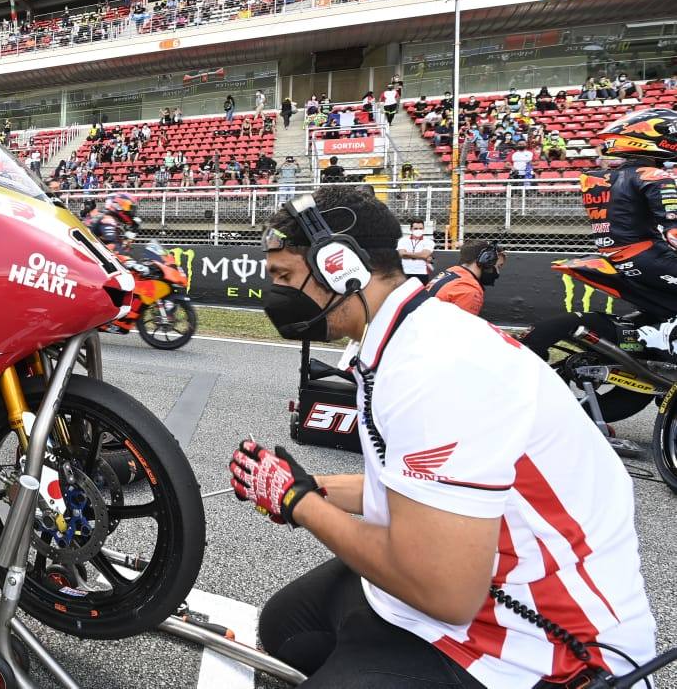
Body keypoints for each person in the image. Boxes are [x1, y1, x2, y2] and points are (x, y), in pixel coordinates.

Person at [236, 185, 655, 687]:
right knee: (284, 629)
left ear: (339, 267)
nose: (274, 293)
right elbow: (418, 494)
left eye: (284, 276)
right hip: (463, 587)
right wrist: (309, 484)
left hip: (540, 644)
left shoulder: (436, 366)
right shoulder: (402, 334)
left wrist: (299, 501)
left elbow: (445, 592)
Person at [583, 109, 677, 348]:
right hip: (648, 257)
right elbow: (674, 232)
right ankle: (663, 337)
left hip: (617, 257)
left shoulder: (598, 178)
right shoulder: (654, 175)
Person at [424, 240, 505, 317]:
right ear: (486, 261)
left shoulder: (452, 271)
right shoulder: (470, 290)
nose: (497, 273)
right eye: (497, 266)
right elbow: (462, 329)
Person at [395, 219, 433, 285]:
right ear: (411, 229)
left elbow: (424, 255)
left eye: (421, 228)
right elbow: (401, 254)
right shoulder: (403, 240)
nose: (418, 230)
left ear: (423, 229)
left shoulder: (429, 241)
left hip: (422, 273)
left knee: (421, 294)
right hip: (405, 273)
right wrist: (420, 255)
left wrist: (406, 254)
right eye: (415, 228)